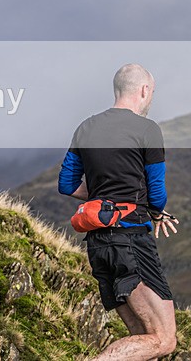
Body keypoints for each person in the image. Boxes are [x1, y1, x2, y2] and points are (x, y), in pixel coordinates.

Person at [58, 64, 179, 360]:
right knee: (164, 340)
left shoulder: (85, 128)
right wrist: (156, 211)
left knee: (141, 337)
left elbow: (67, 184)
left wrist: (104, 196)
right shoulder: (147, 129)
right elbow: (158, 195)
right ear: (144, 91)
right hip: (131, 242)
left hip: (99, 244)